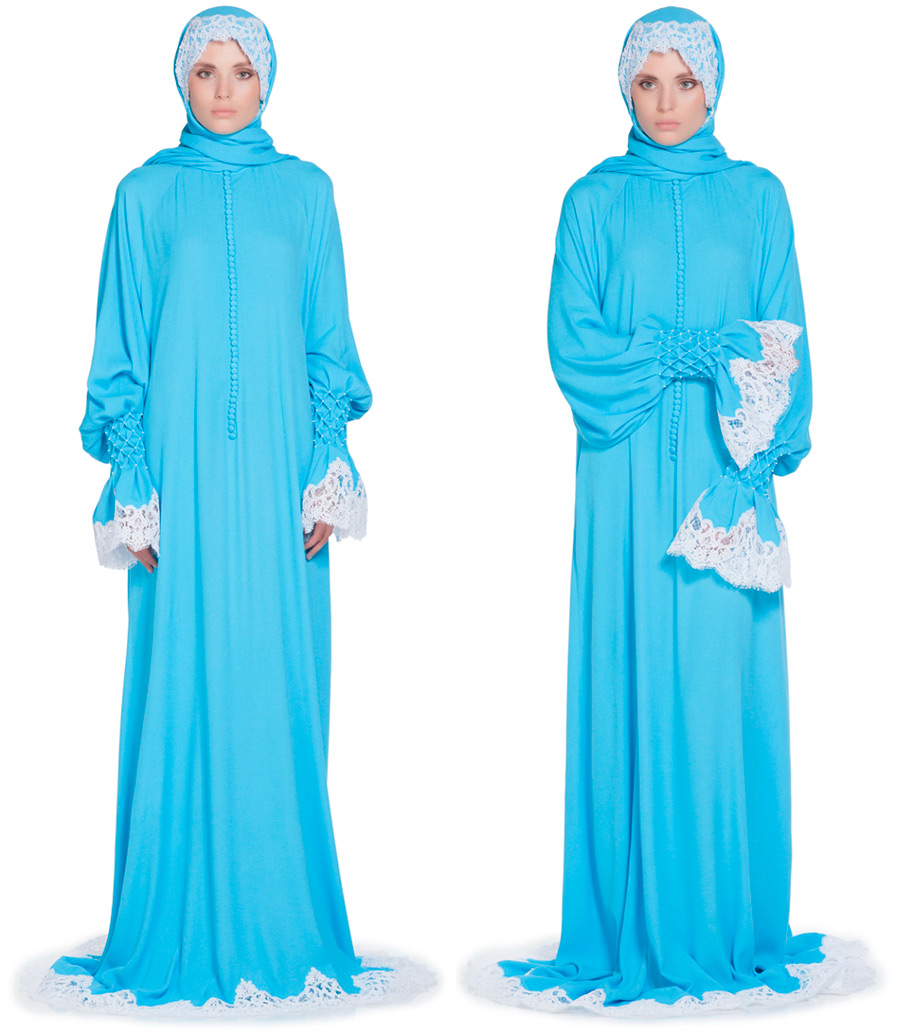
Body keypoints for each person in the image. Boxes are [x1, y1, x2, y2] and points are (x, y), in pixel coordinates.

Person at [467, 6, 873, 1016]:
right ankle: (634, 925)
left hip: (725, 480)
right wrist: (688, 352)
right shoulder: (592, 201)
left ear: (714, 87)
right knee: (632, 670)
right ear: (623, 89)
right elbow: (574, 345)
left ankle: (727, 918)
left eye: (685, 83)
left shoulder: (759, 196)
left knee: (719, 681)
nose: (666, 104)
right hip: (623, 477)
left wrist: (760, 453)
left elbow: (785, 340)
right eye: (646, 83)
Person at [28, 6, 432, 1017]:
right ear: (181, 81)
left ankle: (279, 913)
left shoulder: (307, 192)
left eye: (240, 71)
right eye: (204, 71)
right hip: (180, 480)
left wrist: (328, 465)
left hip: (282, 485)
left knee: (279, 684)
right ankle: (175, 918)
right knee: (179, 680)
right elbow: (120, 350)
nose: (221, 89)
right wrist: (134, 482)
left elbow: (328, 342)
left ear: (268, 81)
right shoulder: (143, 194)